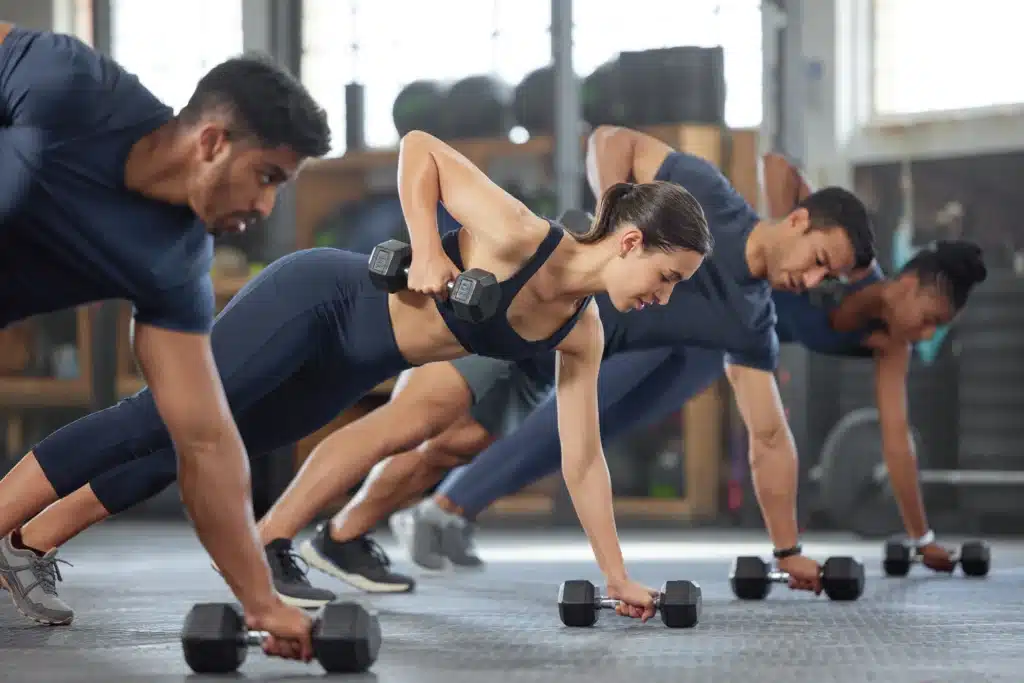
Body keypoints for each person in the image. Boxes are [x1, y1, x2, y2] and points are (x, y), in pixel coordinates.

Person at [8, 126, 876, 609]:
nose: (663, 298)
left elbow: (583, 460)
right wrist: (426, 244)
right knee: (158, 419)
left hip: (344, 369)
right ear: (630, 240)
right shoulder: (519, 234)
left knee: (194, 455)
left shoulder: (583, 332)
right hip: (319, 303)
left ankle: (32, 544)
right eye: (663, 279)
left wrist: (617, 575)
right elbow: (421, 146)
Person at [0, 22, 331, 658]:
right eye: (265, 176)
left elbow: (204, 441)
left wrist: (261, 601)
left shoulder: (175, 265)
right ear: (212, 141)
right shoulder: (70, 85)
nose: (266, 207)